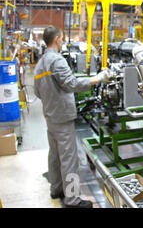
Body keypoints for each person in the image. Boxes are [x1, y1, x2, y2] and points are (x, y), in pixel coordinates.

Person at [34, 26, 113, 208]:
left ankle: (56, 188)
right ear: (57, 39)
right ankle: (73, 199)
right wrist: (97, 79)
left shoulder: (40, 63)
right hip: (62, 117)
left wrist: (52, 99)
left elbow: (38, 92)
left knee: (54, 155)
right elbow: (71, 84)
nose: (62, 42)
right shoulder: (57, 60)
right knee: (69, 158)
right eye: (61, 39)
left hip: (50, 116)